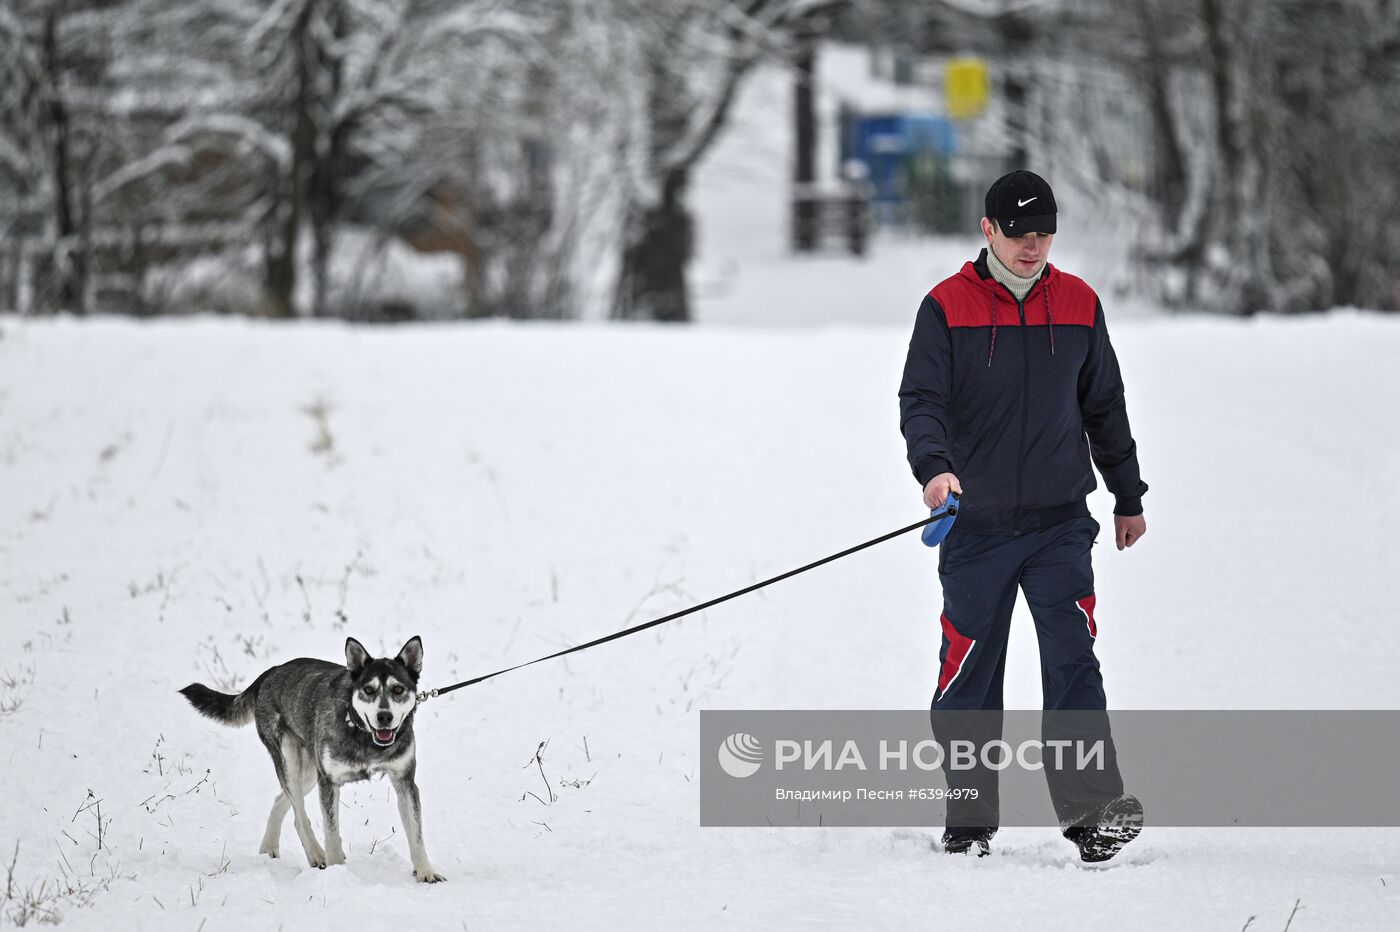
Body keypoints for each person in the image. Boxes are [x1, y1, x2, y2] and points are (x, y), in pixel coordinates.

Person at [898, 169, 1148, 861]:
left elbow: (1105, 406)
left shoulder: (1079, 303)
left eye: (1043, 234)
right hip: (975, 527)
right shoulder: (945, 306)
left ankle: (1094, 816)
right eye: (1018, 234)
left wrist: (1127, 495)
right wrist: (934, 469)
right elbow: (922, 401)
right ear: (988, 230)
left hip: (1058, 523)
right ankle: (969, 821)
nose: (1032, 246)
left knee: (1074, 664)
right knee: (970, 674)